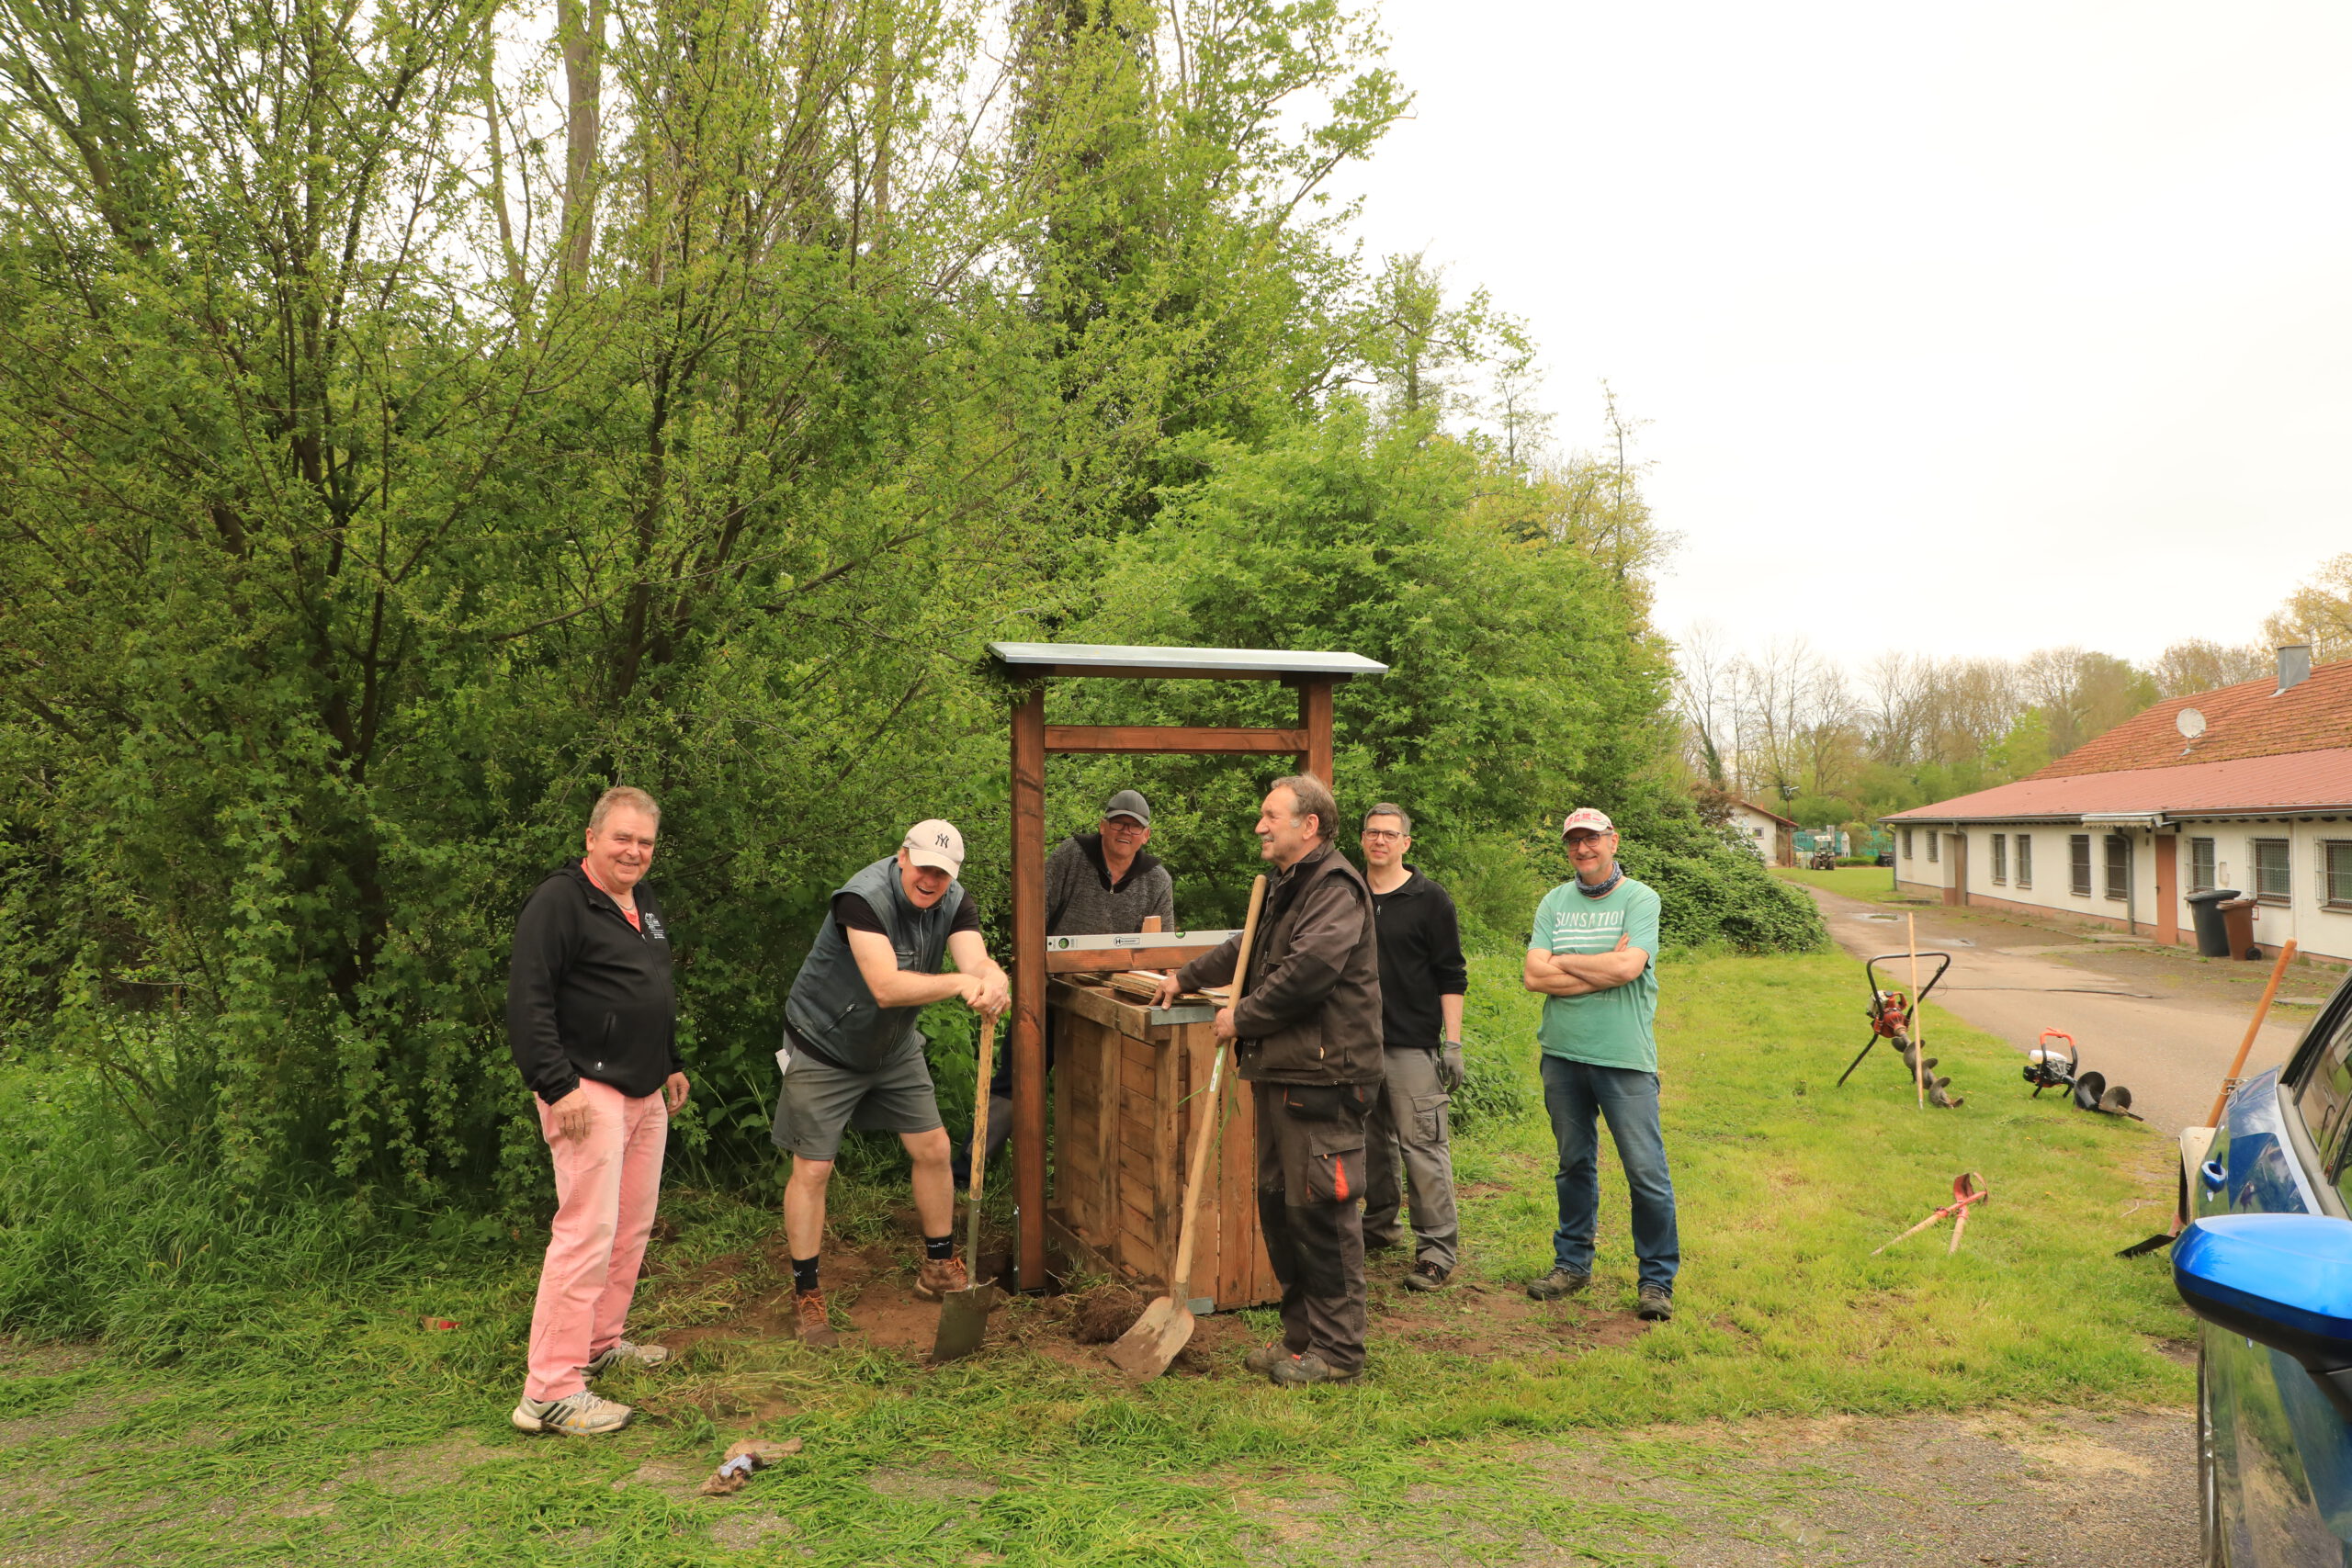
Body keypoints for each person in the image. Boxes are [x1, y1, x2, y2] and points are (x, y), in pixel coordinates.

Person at [1156, 775, 1383, 1387]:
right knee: (1282, 1210)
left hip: (1325, 1075)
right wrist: (1185, 976)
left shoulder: (1334, 887)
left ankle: (1339, 1350)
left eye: (1270, 815)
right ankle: (1304, 1338)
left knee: (1322, 1213)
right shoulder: (1290, 887)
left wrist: (1242, 1015)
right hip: (1287, 1072)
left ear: (1308, 825)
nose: (1260, 825)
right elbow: (1249, 946)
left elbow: (1311, 969)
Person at [771, 820, 1010, 1347]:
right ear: (902, 856)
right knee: (814, 1167)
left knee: (933, 1147)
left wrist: (994, 981)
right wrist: (961, 983)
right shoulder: (862, 898)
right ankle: (806, 1294)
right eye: (923, 867)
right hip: (824, 1042)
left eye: (942, 874)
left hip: (892, 1047)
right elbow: (884, 985)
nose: (930, 880)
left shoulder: (955, 901)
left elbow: (976, 959)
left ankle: (939, 1265)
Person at [506, 785, 690, 1437]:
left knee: (630, 1226)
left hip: (644, 1088)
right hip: (586, 1091)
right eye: (622, 838)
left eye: (644, 841)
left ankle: (598, 1343)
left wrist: (669, 1058)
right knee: (585, 1232)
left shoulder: (641, 900)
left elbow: (652, 983)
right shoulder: (560, 901)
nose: (634, 851)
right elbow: (528, 1000)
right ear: (591, 838)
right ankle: (550, 1391)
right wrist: (558, 1086)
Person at [956, 789, 1177, 1185]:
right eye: (1119, 823)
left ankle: (1095, 1180)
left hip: (1114, 1001)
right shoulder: (1070, 856)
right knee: (1016, 1079)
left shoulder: (1156, 879)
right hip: (1050, 993)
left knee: (1107, 1087)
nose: (1125, 831)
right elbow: (1032, 914)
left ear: (1146, 835)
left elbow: (1161, 949)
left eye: (1135, 826)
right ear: (1103, 826)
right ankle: (966, 1173)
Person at [1520, 807, 1678, 1322]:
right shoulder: (1554, 901)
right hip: (1562, 1055)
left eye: (1592, 840)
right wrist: (1600, 969)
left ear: (1613, 841)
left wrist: (1562, 961)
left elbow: (1631, 966)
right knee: (1573, 1165)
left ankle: (1656, 1280)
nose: (1582, 849)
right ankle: (1572, 1264)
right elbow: (1533, 976)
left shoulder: (1640, 898)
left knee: (1645, 1172)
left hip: (1624, 1059)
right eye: (1574, 842)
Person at [1355, 804, 1467, 1292]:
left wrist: (1454, 1043)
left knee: (1422, 1147)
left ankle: (1436, 1251)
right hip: (1353, 1042)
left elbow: (1451, 974)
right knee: (1367, 1147)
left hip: (1409, 1045)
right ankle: (1378, 1227)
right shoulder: (1347, 893)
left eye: (1390, 834)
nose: (1380, 840)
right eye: (1372, 832)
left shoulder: (1430, 899)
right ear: (1362, 840)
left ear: (1406, 843)